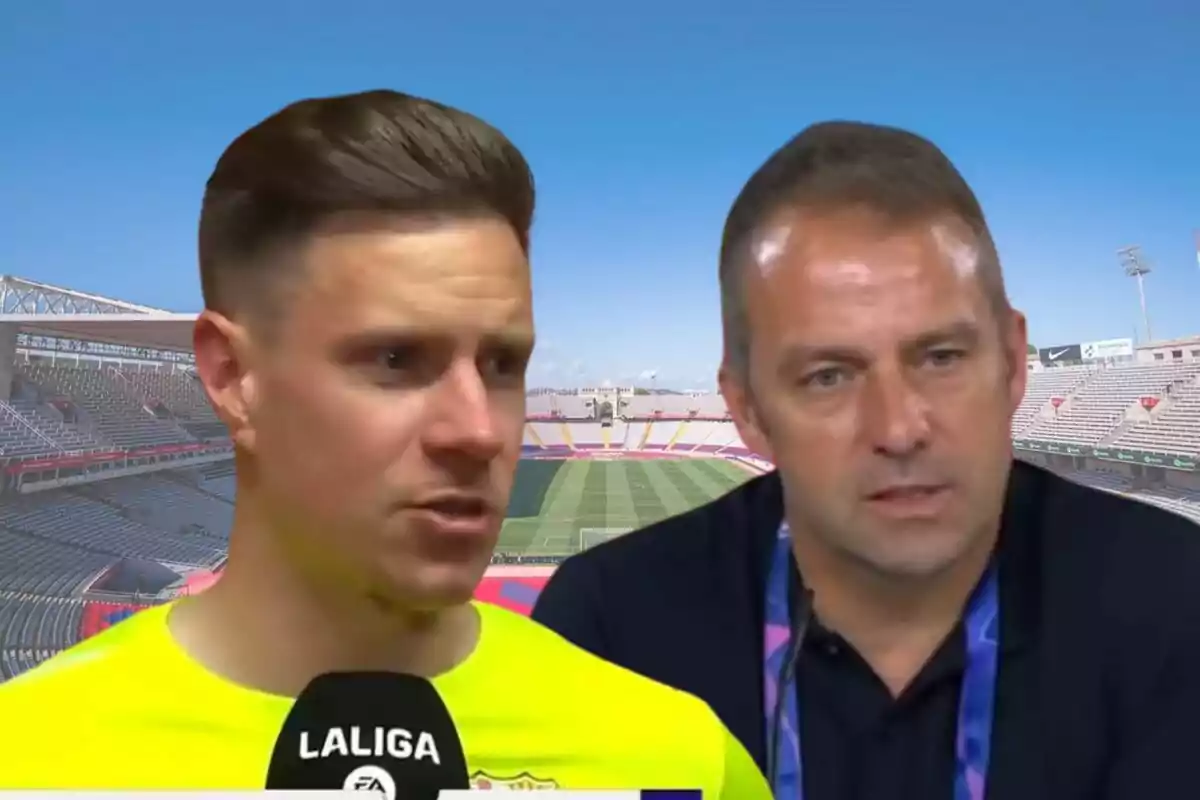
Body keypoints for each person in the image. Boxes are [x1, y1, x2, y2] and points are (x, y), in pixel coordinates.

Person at [0, 90, 769, 799]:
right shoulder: (24, 758)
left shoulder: (680, 758)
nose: (478, 429)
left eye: (503, 364)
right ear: (235, 376)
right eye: (396, 360)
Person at [532, 121, 1200, 800]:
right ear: (748, 409)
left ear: (1013, 362)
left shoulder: (1178, 603)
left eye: (941, 358)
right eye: (829, 376)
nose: (900, 428)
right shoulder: (607, 634)